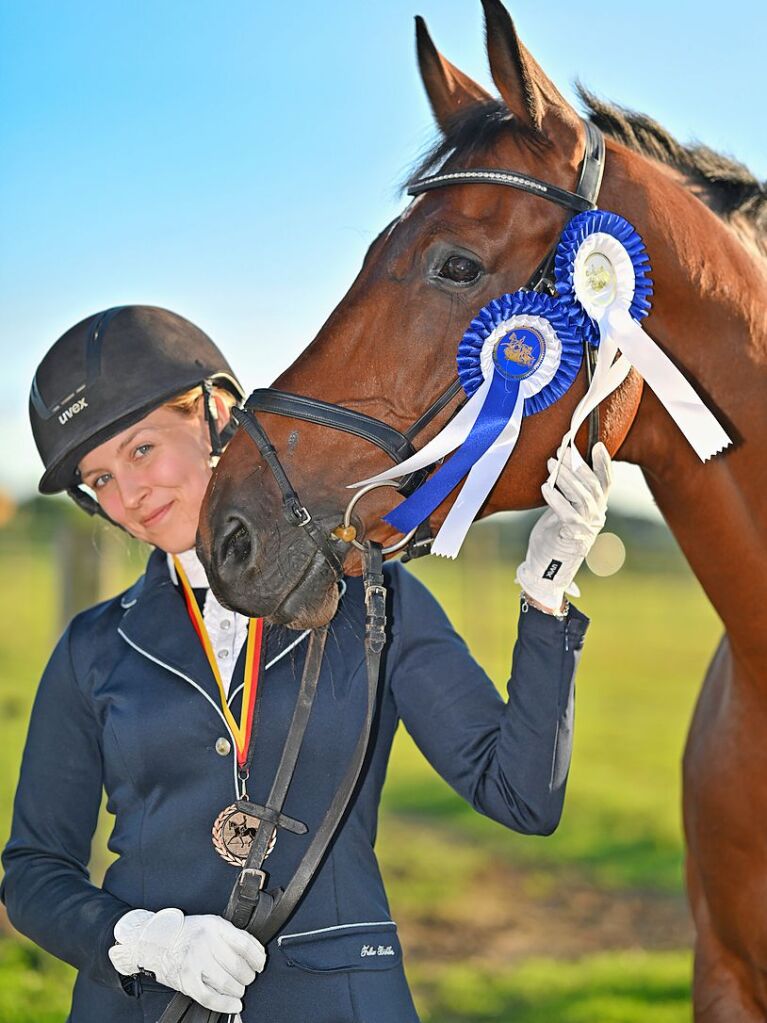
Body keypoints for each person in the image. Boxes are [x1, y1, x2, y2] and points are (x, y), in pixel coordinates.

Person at [1, 304, 612, 1023]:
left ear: (217, 415)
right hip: (143, 1005)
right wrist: (143, 940)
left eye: (141, 450)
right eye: (99, 479)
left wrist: (544, 599)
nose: (128, 495)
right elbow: (35, 871)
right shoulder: (93, 646)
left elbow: (520, 794)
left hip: (339, 999)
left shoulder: (373, 599)